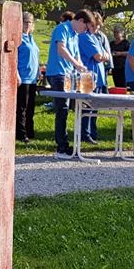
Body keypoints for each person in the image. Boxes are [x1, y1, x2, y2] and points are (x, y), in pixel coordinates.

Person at [45, 10, 91, 158]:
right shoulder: (62, 29)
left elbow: (76, 55)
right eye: (86, 27)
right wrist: (76, 64)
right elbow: (61, 49)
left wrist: (82, 67)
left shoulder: (75, 35)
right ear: (81, 21)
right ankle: (61, 146)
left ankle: (66, 144)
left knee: (68, 108)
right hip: (57, 73)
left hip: (69, 75)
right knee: (62, 109)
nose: (85, 31)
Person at [78, 17, 110, 143]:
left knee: (95, 107)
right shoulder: (84, 37)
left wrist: (104, 56)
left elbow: (106, 55)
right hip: (89, 77)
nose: (97, 28)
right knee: (87, 107)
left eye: (99, 26)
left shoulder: (95, 38)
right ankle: (84, 134)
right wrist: (103, 56)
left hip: (99, 77)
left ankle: (92, 132)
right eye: (95, 25)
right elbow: (98, 56)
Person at [15, 12, 40, 143]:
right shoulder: (19, 38)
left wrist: (38, 72)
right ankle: (21, 133)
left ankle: (30, 131)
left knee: (31, 107)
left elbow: (35, 55)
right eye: (24, 22)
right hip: (23, 77)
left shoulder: (32, 38)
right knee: (22, 107)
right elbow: (14, 58)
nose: (27, 25)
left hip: (33, 78)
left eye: (29, 22)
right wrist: (16, 74)